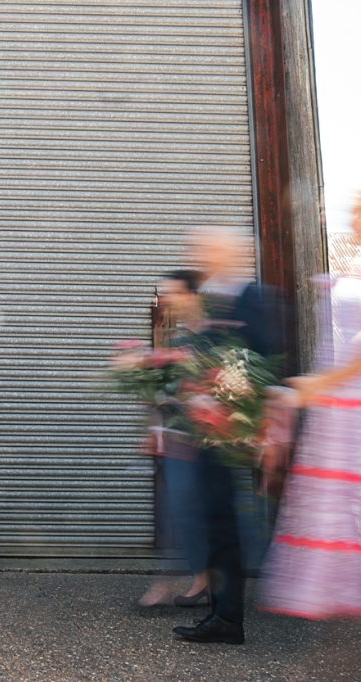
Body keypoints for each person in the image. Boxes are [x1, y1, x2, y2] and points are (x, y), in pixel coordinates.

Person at [172, 228, 286, 645]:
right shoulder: (209, 297)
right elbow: (199, 357)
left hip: (237, 430)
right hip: (207, 430)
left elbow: (268, 363)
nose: (199, 254)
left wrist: (271, 433)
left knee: (227, 522)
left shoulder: (255, 298)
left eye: (207, 248)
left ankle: (229, 617)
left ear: (229, 254)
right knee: (217, 521)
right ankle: (223, 613)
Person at [261, 194, 361, 619]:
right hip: (340, 406)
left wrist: (319, 385)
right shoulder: (352, 262)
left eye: (359, 212)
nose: (353, 219)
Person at [138, 270, 210, 608]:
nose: (169, 301)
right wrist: (154, 429)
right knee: (174, 511)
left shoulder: (209, 338)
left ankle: (195, 579)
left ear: (193, 296)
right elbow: (163, 393)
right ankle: (181, 579)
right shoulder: (178, 340)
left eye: (175, 294)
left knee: (187, 512)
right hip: (176, 440)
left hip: (202, 441)